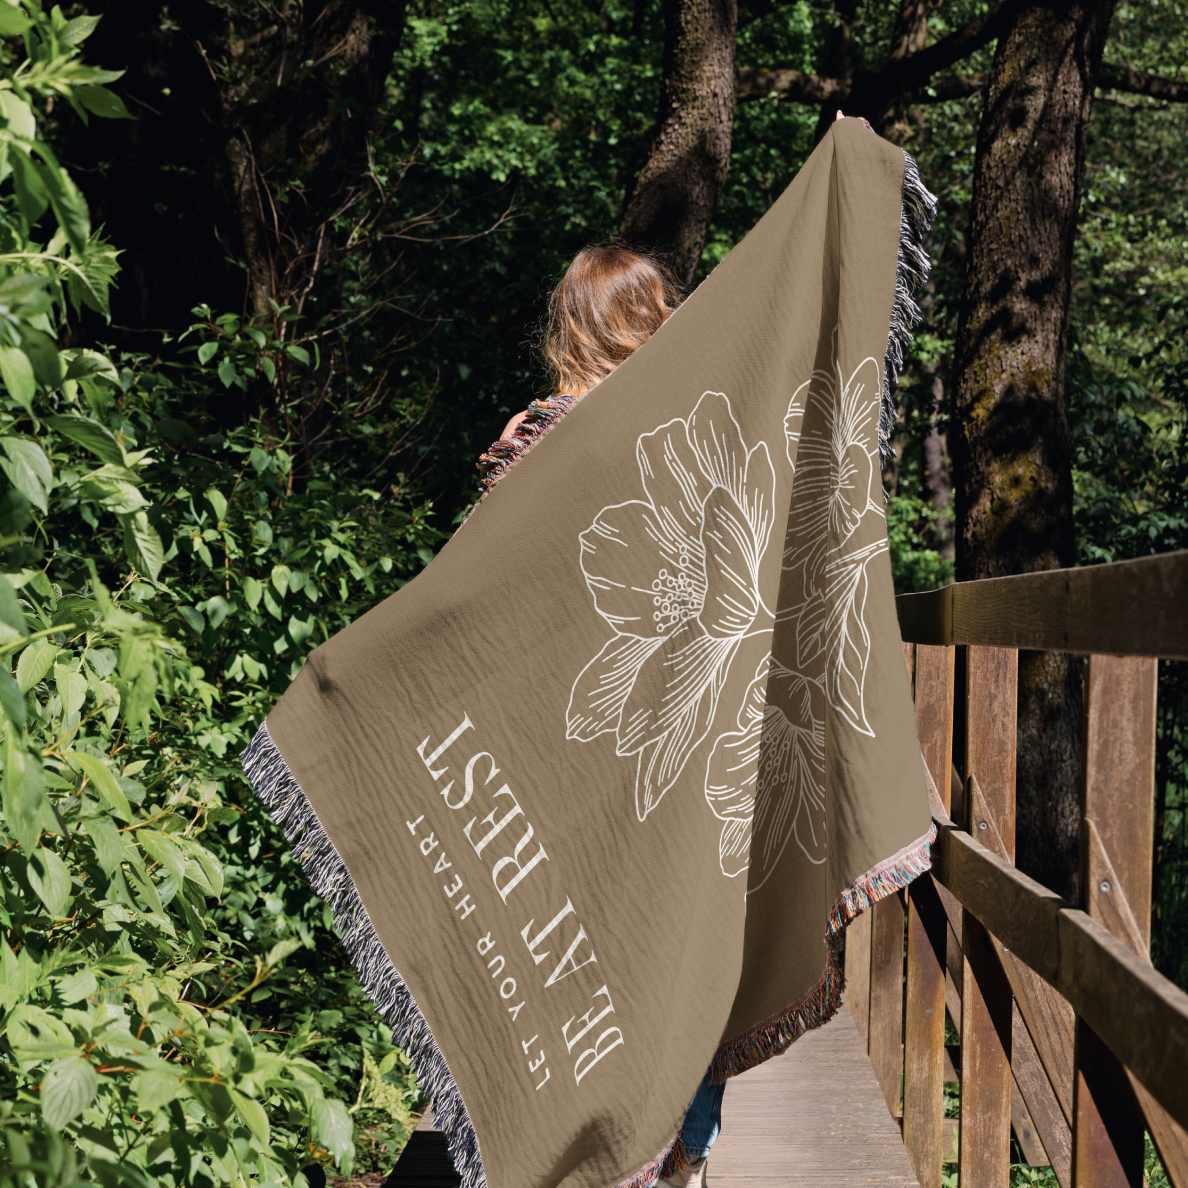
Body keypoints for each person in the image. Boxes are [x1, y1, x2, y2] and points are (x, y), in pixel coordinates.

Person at [478, 244, 722, 1188]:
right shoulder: (690, 431)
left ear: (570, 324)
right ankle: (680, 1159)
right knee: (679, 947)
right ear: (653, 320)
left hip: (557, 731)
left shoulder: (529, 433)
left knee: (564, 947)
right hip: (671, 729)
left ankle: (569, 1149)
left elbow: (484, 591)